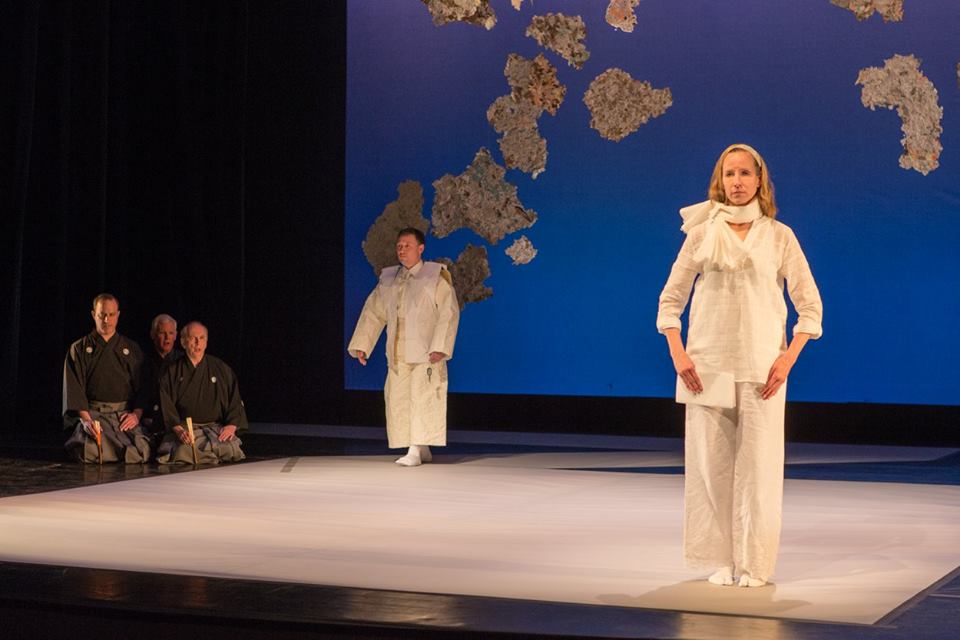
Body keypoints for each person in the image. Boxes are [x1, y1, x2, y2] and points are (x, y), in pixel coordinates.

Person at [656, 143, 823, 588]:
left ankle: (755, 562)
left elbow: (810, 306)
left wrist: (787, 359)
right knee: (709, 467)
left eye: (745, 173)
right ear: (720, 180)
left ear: (759, 179)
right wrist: (678, 352)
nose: (737, 182)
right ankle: (720, 558)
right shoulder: (701, 233)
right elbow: (671, 300)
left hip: (762, 366)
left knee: (759, 470)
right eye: (729, 174)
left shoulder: (779, 236)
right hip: (707, 364)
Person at [348, 227, 460, 466]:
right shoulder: (390, 279)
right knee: (398, 398)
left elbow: (448, 312)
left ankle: (415, 449)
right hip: (398, 350)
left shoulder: (434, 277)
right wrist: (362, 344)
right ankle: (421, 447)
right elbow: (373, 312)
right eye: (399, 246)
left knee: (423, 397)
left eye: (407, 245)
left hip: (425, 350)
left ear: (421, 248)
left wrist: (440, 346)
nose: (402, 250)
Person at [63, 293, 151, 463]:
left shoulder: (131, 348)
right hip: (93, 415)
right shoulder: (79, 348)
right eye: (102, 315)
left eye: (111, 315)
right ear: (93, 315)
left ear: (118, 315)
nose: (106, 320)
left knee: (141, 449)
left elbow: (143, 387)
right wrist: (86, 421)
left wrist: (136, 415)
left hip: (123, 416)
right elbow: (75, 390)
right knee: (88, 449)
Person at [156, 321, 246, 464]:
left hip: (215, 429)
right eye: (193, 338)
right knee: (182, 450)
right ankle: (208, 454)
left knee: (230, 448)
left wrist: (231, 426)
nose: (198, 342)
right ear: (183, 342)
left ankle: (207, 454)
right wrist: (178, 430)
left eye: (202, 338)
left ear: (206, 342)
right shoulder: (172, 371)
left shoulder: (221, 368)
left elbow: (234, 400)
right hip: (186, 430)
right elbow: (165, 404)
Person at [138, 314, 182, 443]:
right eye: (162, 333)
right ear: (153, 335)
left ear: (176, 335)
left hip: (176, 424)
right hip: (148, 422)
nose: (167, 338)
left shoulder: (182, 361)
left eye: (171, 333)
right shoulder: (142, 360)